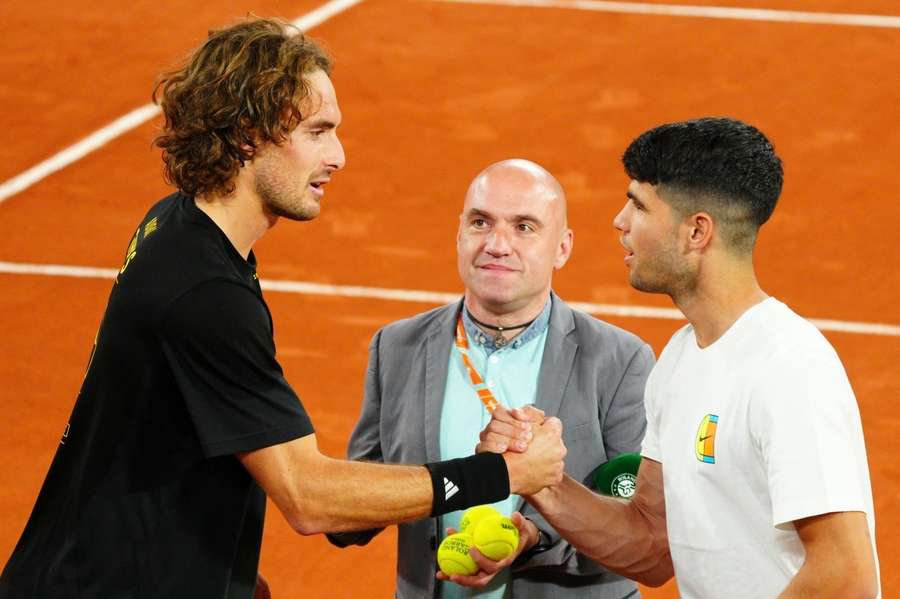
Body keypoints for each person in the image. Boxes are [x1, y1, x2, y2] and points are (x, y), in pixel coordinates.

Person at [0, 19, 568, 599]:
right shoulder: (205, 293)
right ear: (250, 137)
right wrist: (498, 476)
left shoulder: (179, 225)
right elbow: (310, 497)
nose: (338, 156)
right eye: (318, 132)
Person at [478, 118, 881, 598]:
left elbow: (846, 577)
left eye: (639, 205)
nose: (620, 221)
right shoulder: (680, 360)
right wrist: (540, 481)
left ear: (697, 232)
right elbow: (650, 543)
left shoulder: (788, 366)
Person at [328, 159, 654, 599]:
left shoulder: (619, 360)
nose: (498, 245)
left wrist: (534, 536)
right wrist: (343, 506)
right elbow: (355, 507)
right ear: (459, 234)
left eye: (524, 227)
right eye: (481, 222)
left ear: (562, 247)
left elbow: (638, 528)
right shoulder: (397, 347)